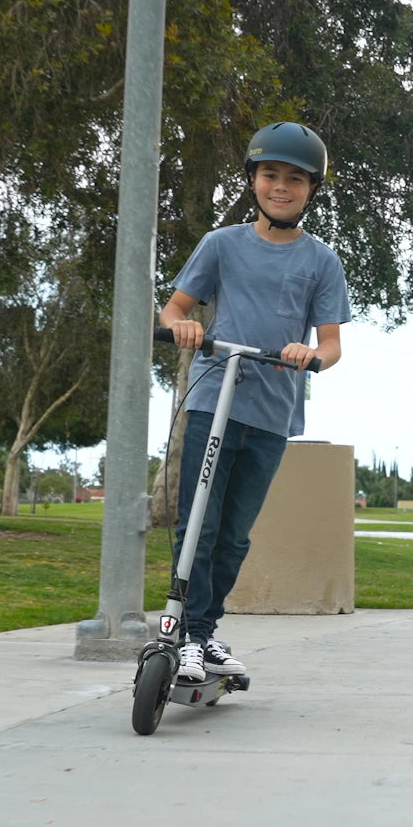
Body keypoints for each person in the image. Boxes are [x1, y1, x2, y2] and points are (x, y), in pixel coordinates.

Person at [157, 121, 351, 681]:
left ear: (311, 189)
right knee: (201, 523)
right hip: (213, 400)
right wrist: (185, 327)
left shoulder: (321, 261)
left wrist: (309, 353)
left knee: (236, 533)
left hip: (272, 410)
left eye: (295, 178)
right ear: (252, 181)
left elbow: (333, 345)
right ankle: (185, 636)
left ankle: (206, 633)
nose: (281, 187)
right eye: (270, 175)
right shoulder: (222, 245)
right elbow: (173, 311)